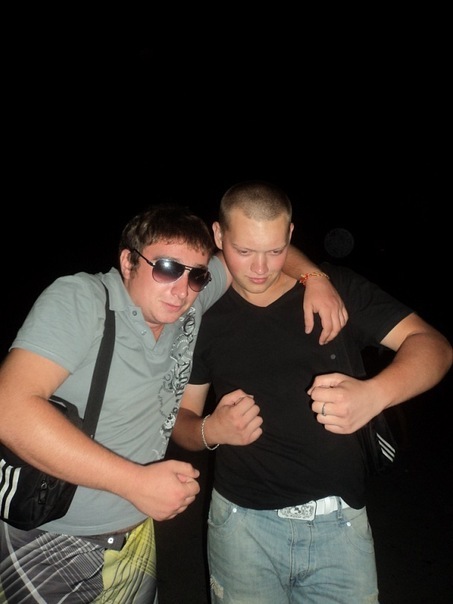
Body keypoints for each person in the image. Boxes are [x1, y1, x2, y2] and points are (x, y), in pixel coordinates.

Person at [0, 203, 347, 603]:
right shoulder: (82, 299)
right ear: (128, 261)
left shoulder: (189, 304)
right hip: (52, 536)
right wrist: (136, 482)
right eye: (166, 268)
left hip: (134, 533)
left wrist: (315, 278)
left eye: (196, 274)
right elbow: (10, 410)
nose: (181, 289)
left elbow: (261, 249)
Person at [171, 181, 453, 604]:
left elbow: (435, 347)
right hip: (241, 524)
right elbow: (182, 420)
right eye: (244, 251)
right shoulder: (202, 313)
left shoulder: (336, 290)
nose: (260, 268)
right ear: (218, 235)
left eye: (275, 250)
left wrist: (373, 394)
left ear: (290, 235)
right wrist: (212, 429)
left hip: (339, 523)